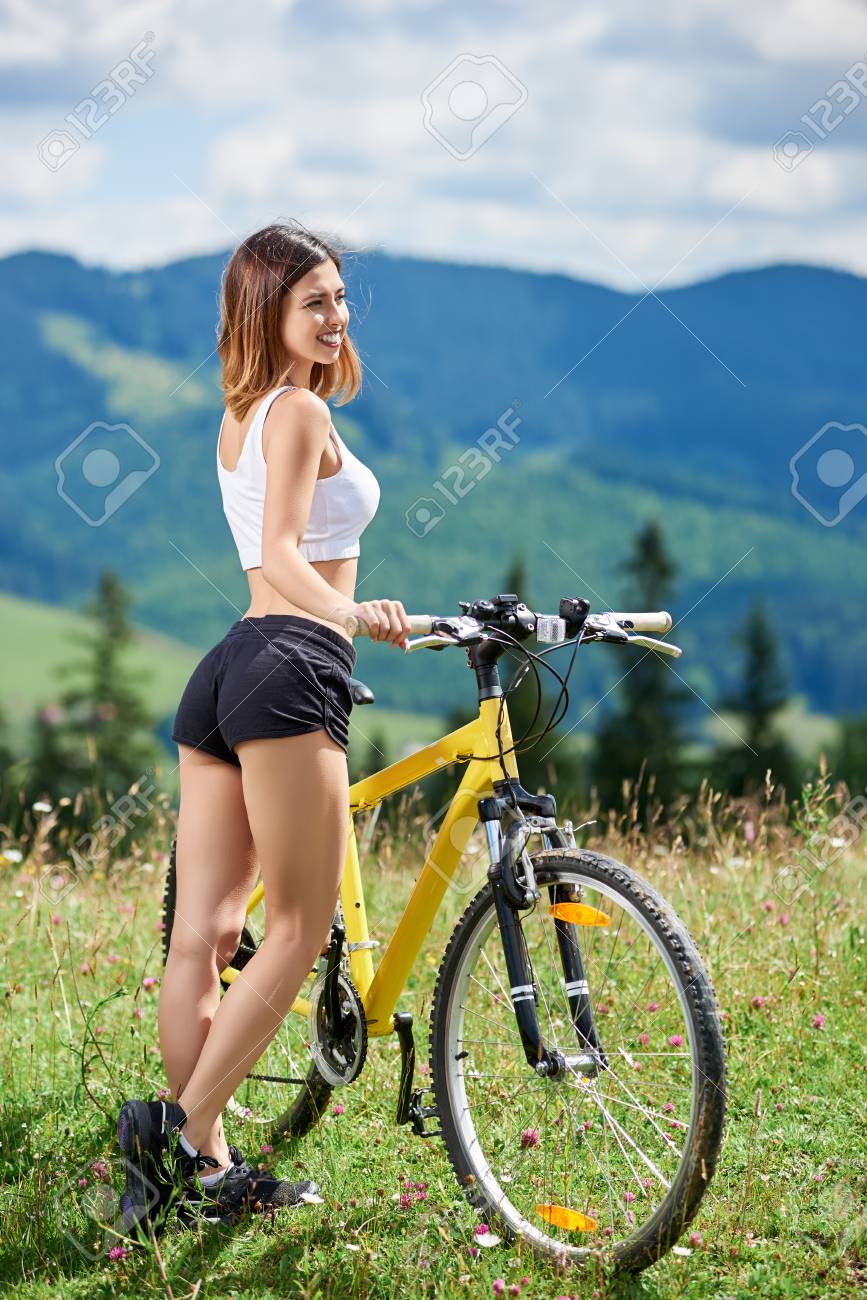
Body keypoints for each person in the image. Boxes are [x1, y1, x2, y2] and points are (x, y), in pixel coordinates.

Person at [117, 220, 411, 1233]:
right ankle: (171, 1140)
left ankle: (203, 1168)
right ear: (266, 311)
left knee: (203, 936)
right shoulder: (299, 411)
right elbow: (285, 553)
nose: (337, 317)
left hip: (229, 668)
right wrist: (350, 613)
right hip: (290, 664)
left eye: (340, 298)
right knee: (292, 929)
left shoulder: (240, 415)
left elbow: (264, 549)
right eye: (314, 301)